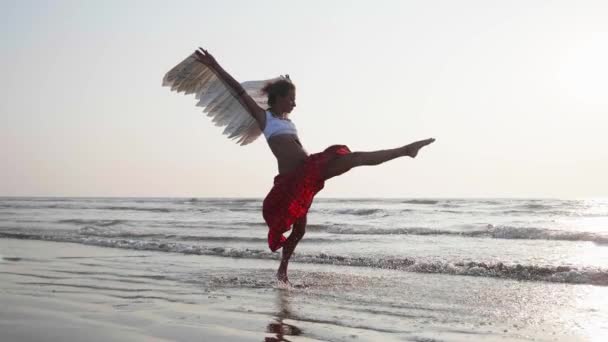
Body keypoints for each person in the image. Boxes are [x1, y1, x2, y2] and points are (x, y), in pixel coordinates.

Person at [192, 48, 435, 284]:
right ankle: (282, 271)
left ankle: (405, 150)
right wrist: (214, 66)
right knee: (300, 229)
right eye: (291, 99)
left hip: (308, 169)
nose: (294, 104)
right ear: (278, 99)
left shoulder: (287, 121)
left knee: (353, 159)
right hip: (292, 181)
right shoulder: (264, 118)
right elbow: (238, 93)